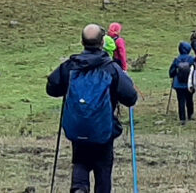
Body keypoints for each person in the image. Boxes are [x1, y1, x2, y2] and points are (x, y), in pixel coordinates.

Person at [47, 24, 138, 193]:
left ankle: (79, 188)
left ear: (82, 42)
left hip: (78, 126)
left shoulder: (70, 66)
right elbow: (131, 98)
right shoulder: (111, 69)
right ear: (102, 43)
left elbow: (52, 88)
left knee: (80, 161)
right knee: (103, 167)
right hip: (103, 128)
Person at [168, 41, 196, 124]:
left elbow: (171, 73)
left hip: (178, 84)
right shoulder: (191, 59)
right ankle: (190, 115)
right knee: (189, 99)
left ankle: (182, 119)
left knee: (181, 101)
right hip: (189, 84)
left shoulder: (177, 60)